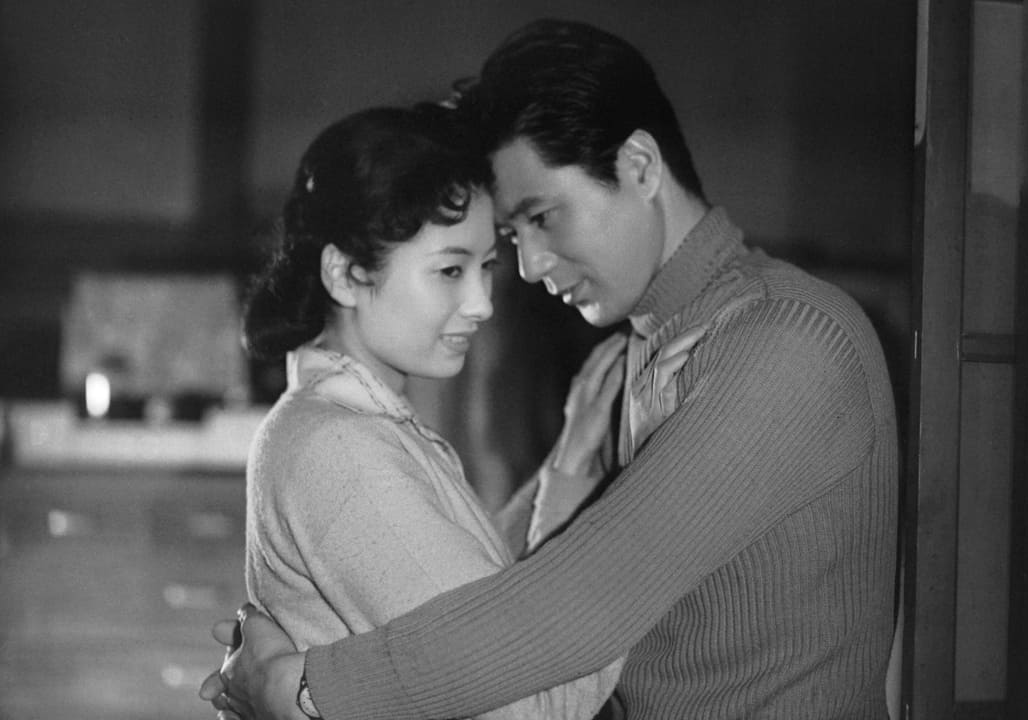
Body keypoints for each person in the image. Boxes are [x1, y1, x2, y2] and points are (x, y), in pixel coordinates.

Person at [203, 18, 899, 719]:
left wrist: (301, 690)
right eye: (513, 235)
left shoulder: (789, 340)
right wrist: (566, 473)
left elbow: (579, 604)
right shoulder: (637, 352)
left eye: (542, 217)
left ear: (639, 166)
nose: (530, 267)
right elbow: (486, 588)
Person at [223, 104, 698, 720]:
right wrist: (659, 483)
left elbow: (486, 612)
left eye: (487, 267)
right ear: (345, 275)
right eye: (450, 270)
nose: (481, 304)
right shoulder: (340, 452)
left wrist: (571, 469)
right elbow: (527, 710)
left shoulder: (351, 425)